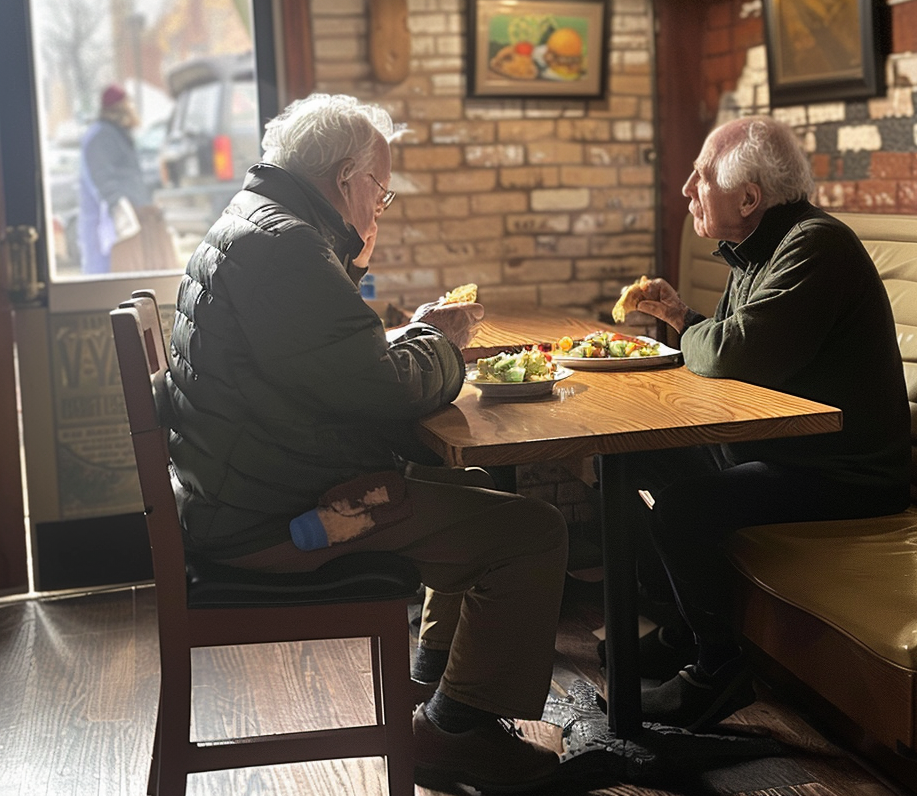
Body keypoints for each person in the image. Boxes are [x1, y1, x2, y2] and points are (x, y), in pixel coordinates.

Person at [164, 92, 568, 792]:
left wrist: (362, 272)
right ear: (345, 178)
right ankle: (454, 735)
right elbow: (383, 390)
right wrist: (441, 340)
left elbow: (318, 356)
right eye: (379, 190)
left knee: (473, 491)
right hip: (276, 519)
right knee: (532, 532)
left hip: (243, 488)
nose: (382, 205)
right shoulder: (284, 244)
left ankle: (436, 685)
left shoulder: (255, 224)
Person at [627, 115, 911, 731]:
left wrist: (693, 329)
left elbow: (733, 354)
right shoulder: (757, 253)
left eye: (701, 177)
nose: (686, 189)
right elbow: (742, 350)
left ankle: (717, 671)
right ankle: (681, 631)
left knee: (681, 510)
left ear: (750, 197)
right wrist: (684, 316)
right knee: (628, 464)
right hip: (788, 453)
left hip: (847, 472)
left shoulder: (816, 245)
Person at [78, 83, 176, 274]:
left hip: (134, 216)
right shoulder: (101, 135)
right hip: (114, 223)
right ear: (120, 107)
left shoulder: (116, 133)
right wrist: (120, 208)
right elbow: (102, 178)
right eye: (128, 103)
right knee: (111, 276)